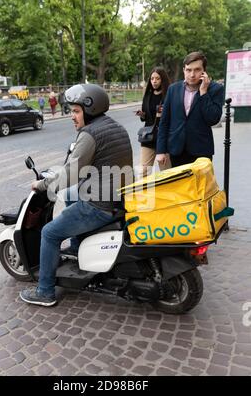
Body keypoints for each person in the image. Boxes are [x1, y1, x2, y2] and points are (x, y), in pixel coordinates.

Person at [20, 84, 133, 307]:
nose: (72, 116)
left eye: (76, 111)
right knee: (71, 195)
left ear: (90, 110)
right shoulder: (114, 126)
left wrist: (42, 185)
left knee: (50, 233)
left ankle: (45, 292)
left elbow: (71, 173)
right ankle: (77, 247)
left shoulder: (89, 134)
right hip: (119, 197)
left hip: (99, 204)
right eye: (71, 110)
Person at [155, 52, 224, 168]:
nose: (192, 74)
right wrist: (160, 150)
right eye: (188, 70)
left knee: (200, 186)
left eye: (197, 70)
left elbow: (213, 119)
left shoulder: (215, 89)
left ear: (204, 71)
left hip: (201, 151)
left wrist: (203, 93)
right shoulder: (173, 89)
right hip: (176, 150)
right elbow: (164, 122)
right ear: (183, 70)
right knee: (180, 186)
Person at [135, 66, 171, 176]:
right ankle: (145, 192)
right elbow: (146, 118)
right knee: (143, 172)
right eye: (152, 79)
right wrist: (142, 114)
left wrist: (163, 113)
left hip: (164, 137)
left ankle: (167, 193)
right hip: (148, 136)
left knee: (166, 173)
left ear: (163, 79)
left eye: (157, 78)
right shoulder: (147, 95)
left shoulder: (169, 94)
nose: (154, 81)